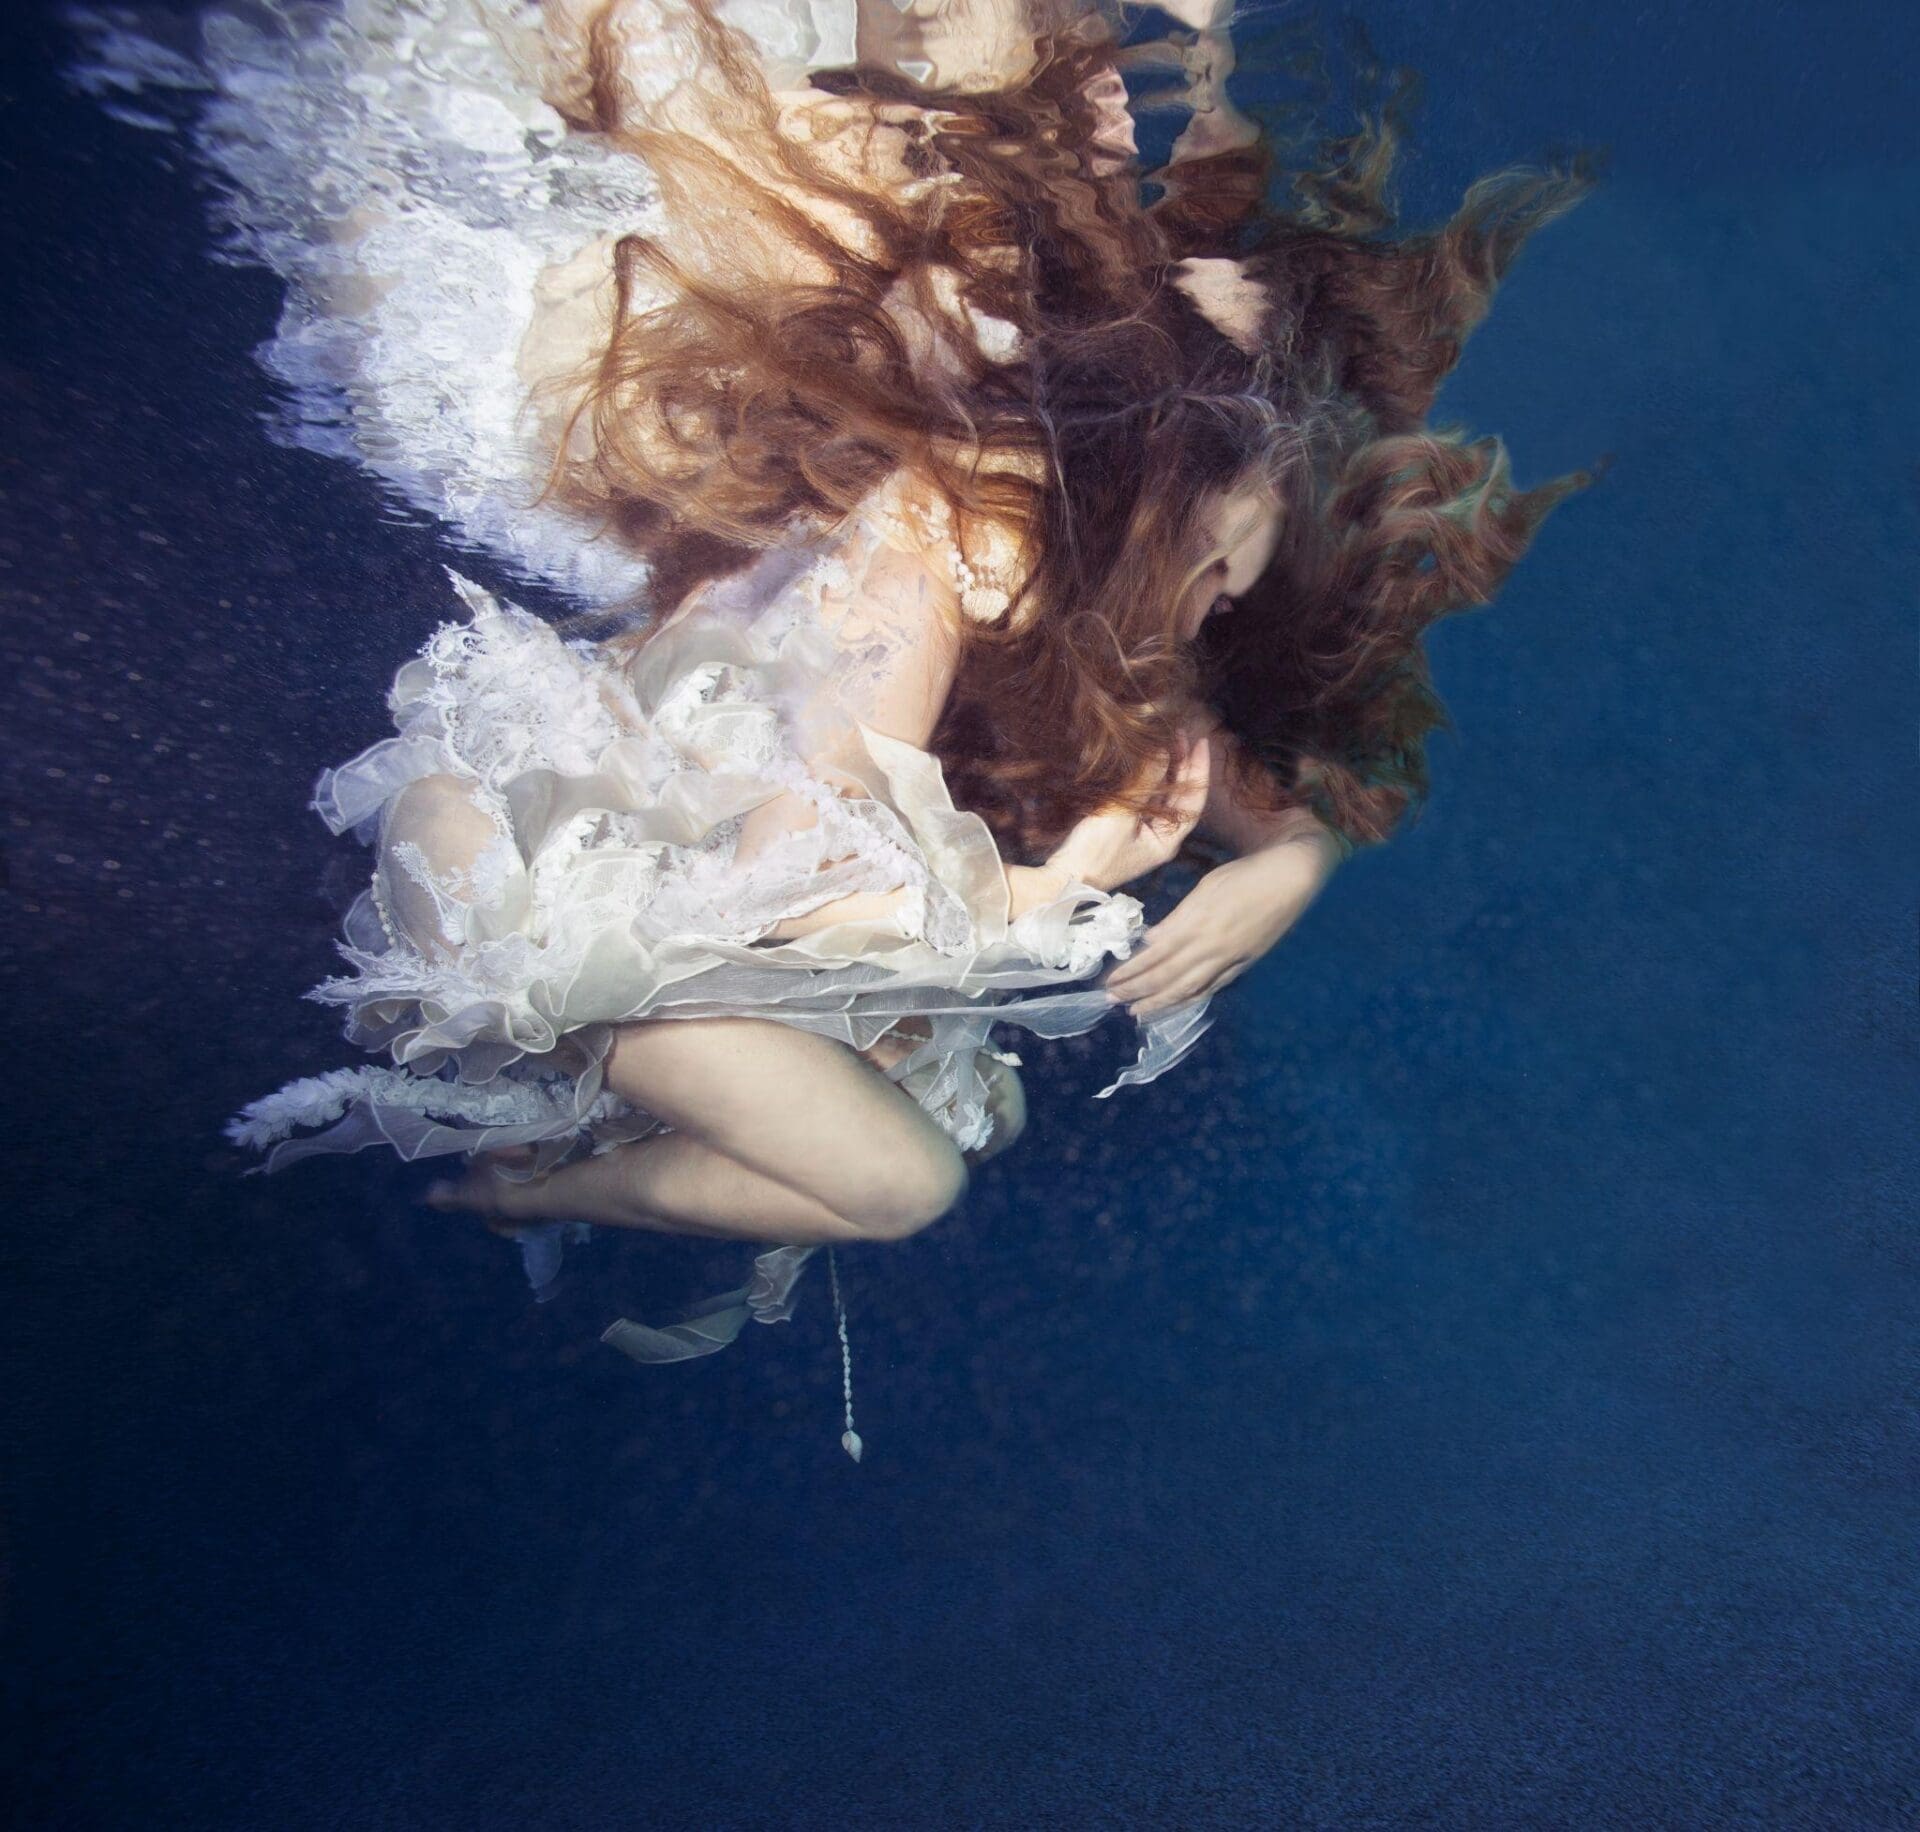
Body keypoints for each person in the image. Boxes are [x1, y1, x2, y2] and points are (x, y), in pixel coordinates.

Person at [72, 0, 1591, 1426]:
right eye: (1211, 578)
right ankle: (542, 1177)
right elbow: (775, 879)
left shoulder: (1065, 566)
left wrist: (1285, 861)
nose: (1200, 629)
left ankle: (540, 1181)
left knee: (906, 1164)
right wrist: (1044, 897)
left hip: (638, 924)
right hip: (591, 892)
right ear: (1164, 491)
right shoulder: (968, 533)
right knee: (910, 1171)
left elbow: (1226, 760)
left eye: (1221, 604)